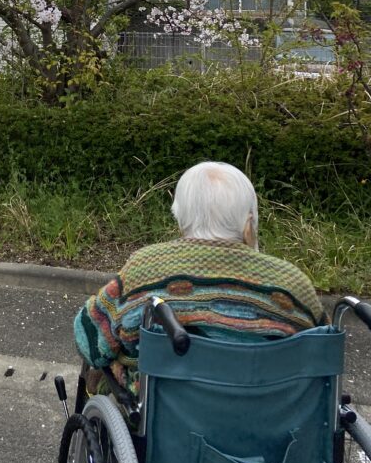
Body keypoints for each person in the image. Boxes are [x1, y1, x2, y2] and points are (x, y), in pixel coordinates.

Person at [74, 161, 327, 394]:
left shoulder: (145, 268)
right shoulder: (294, 285)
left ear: (180, 218)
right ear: (249, 225)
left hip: (163, 420)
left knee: (100, 365)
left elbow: (89, 340)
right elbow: (321, 357)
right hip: (273, 425)